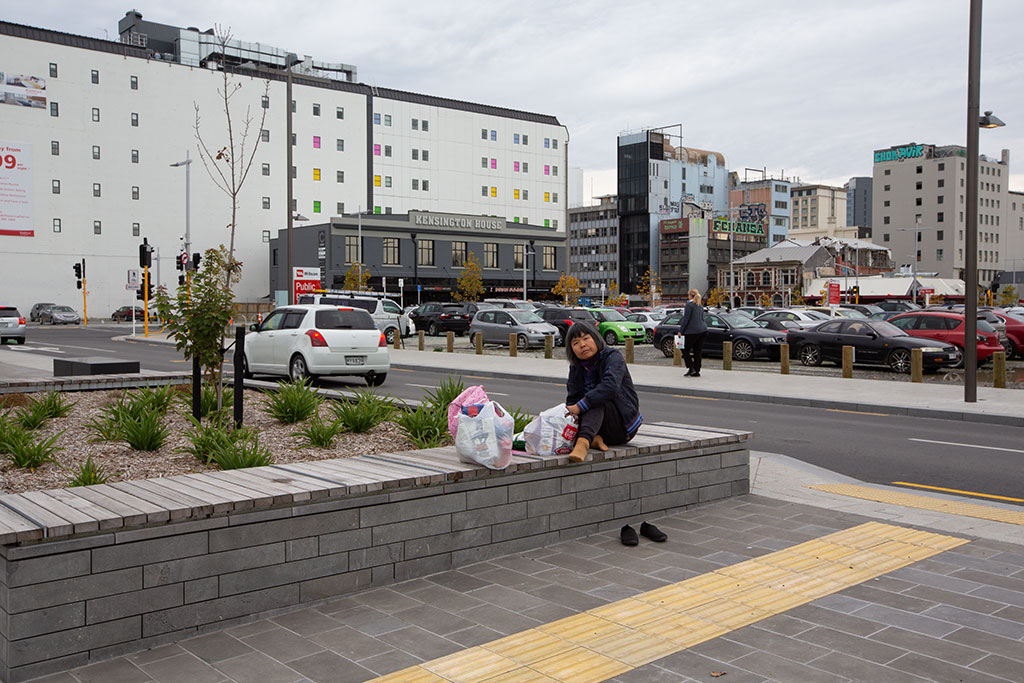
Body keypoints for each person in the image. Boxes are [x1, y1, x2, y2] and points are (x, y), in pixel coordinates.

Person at [564, 321, 666, 546]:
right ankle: (593, 437)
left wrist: (580, 406)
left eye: (586, 338)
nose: (582, 345)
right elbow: (571, 398)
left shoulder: (613, 357)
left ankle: (583, 443)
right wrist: (573, 408)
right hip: (597, 426)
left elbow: (609, 387)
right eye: (576, 342)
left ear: (596, 338)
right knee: (584, 403)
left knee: (597, 399)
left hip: (623, 426)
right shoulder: (576, 368)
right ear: (571, 349)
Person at [678, 288, 708, 377]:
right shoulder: (700, 305)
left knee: (684, 348)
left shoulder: (689, 305)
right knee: (697, 351)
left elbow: (686, 319)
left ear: (690, 295)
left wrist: (681, 331)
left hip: (692, 331)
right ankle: (697, 370)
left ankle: (691, 368)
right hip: (703, 330)